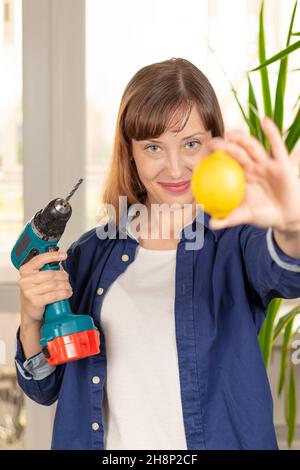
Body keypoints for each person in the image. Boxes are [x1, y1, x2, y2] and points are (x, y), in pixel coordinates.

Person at [15, 57, 300, 450]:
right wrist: (31, 319)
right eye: (153, 146)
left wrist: (292, 226)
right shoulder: (89, 255)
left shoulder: (238, 243)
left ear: (214, 145)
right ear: (130, 151)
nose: (176, 167)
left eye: (192, 144)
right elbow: (44, 387)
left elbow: (287, 271)